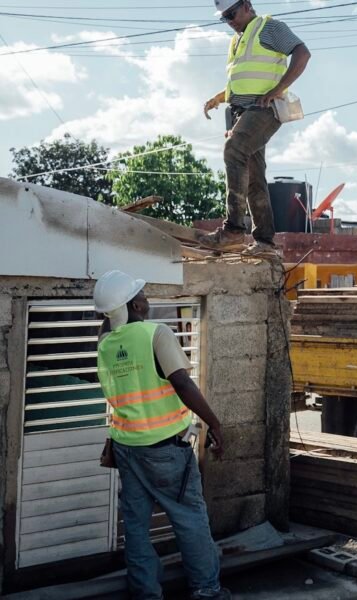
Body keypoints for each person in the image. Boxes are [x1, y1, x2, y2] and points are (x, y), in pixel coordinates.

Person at [94, 270, 228, 600]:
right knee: (189, 518)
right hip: (165, 449)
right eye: (142, 296)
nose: (147, 299)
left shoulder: (105, 345)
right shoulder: (157, 334)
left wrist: (114, 314)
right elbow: (182, 382)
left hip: (126, 447)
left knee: (137, 527)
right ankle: (207, 590)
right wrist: (215, 423)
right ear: (134, 305)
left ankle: (145, 592)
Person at [199, 0, 311, 257]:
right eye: (224, 17)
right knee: (253, 177)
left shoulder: (269, 28)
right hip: (242, 112)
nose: (229, 21)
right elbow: (243, 81)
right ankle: (265, 242)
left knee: (234, 149)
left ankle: (234, 229)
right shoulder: (237, 41)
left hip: (265, 110)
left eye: (232, 13)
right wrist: (219, 98)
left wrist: (277, 90)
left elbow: (302, 53)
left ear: (247, 5)